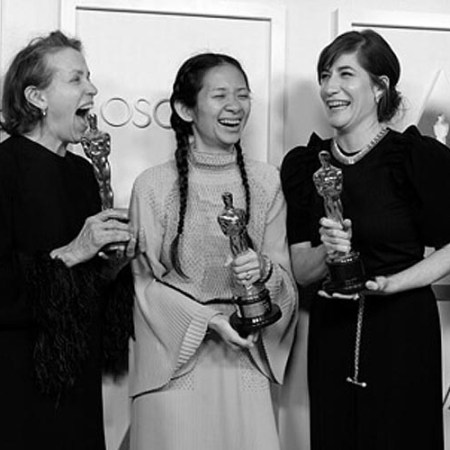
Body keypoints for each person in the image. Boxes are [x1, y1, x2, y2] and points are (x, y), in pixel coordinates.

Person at [280, 29, 448, 450]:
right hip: (333, 333)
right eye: (324, 75)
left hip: (402, 330)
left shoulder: (416, 157)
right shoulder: (304, 165)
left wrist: (394, 283)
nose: (329, 87)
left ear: (379, 87)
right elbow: (302, 270)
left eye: (345, 74)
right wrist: (329, 249)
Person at [129, 52, 297, 450]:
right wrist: (210, 320)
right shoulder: (152, 186)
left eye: (243, 95)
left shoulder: (267, 181)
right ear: (185, 109)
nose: (235, 106)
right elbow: (143, 285)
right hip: (174, 368)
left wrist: (264, 270)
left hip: (245, 360)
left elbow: (286, 281)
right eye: (220, 95)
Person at [0, 30, 135, 449]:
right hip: (16, 381)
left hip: (77, 375)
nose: (92, 88)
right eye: (76, 79)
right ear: (36, 97)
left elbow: (86, 289)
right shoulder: (4, 168)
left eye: (88, 77)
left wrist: (113, 263)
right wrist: (75, 251)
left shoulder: (82, 174)